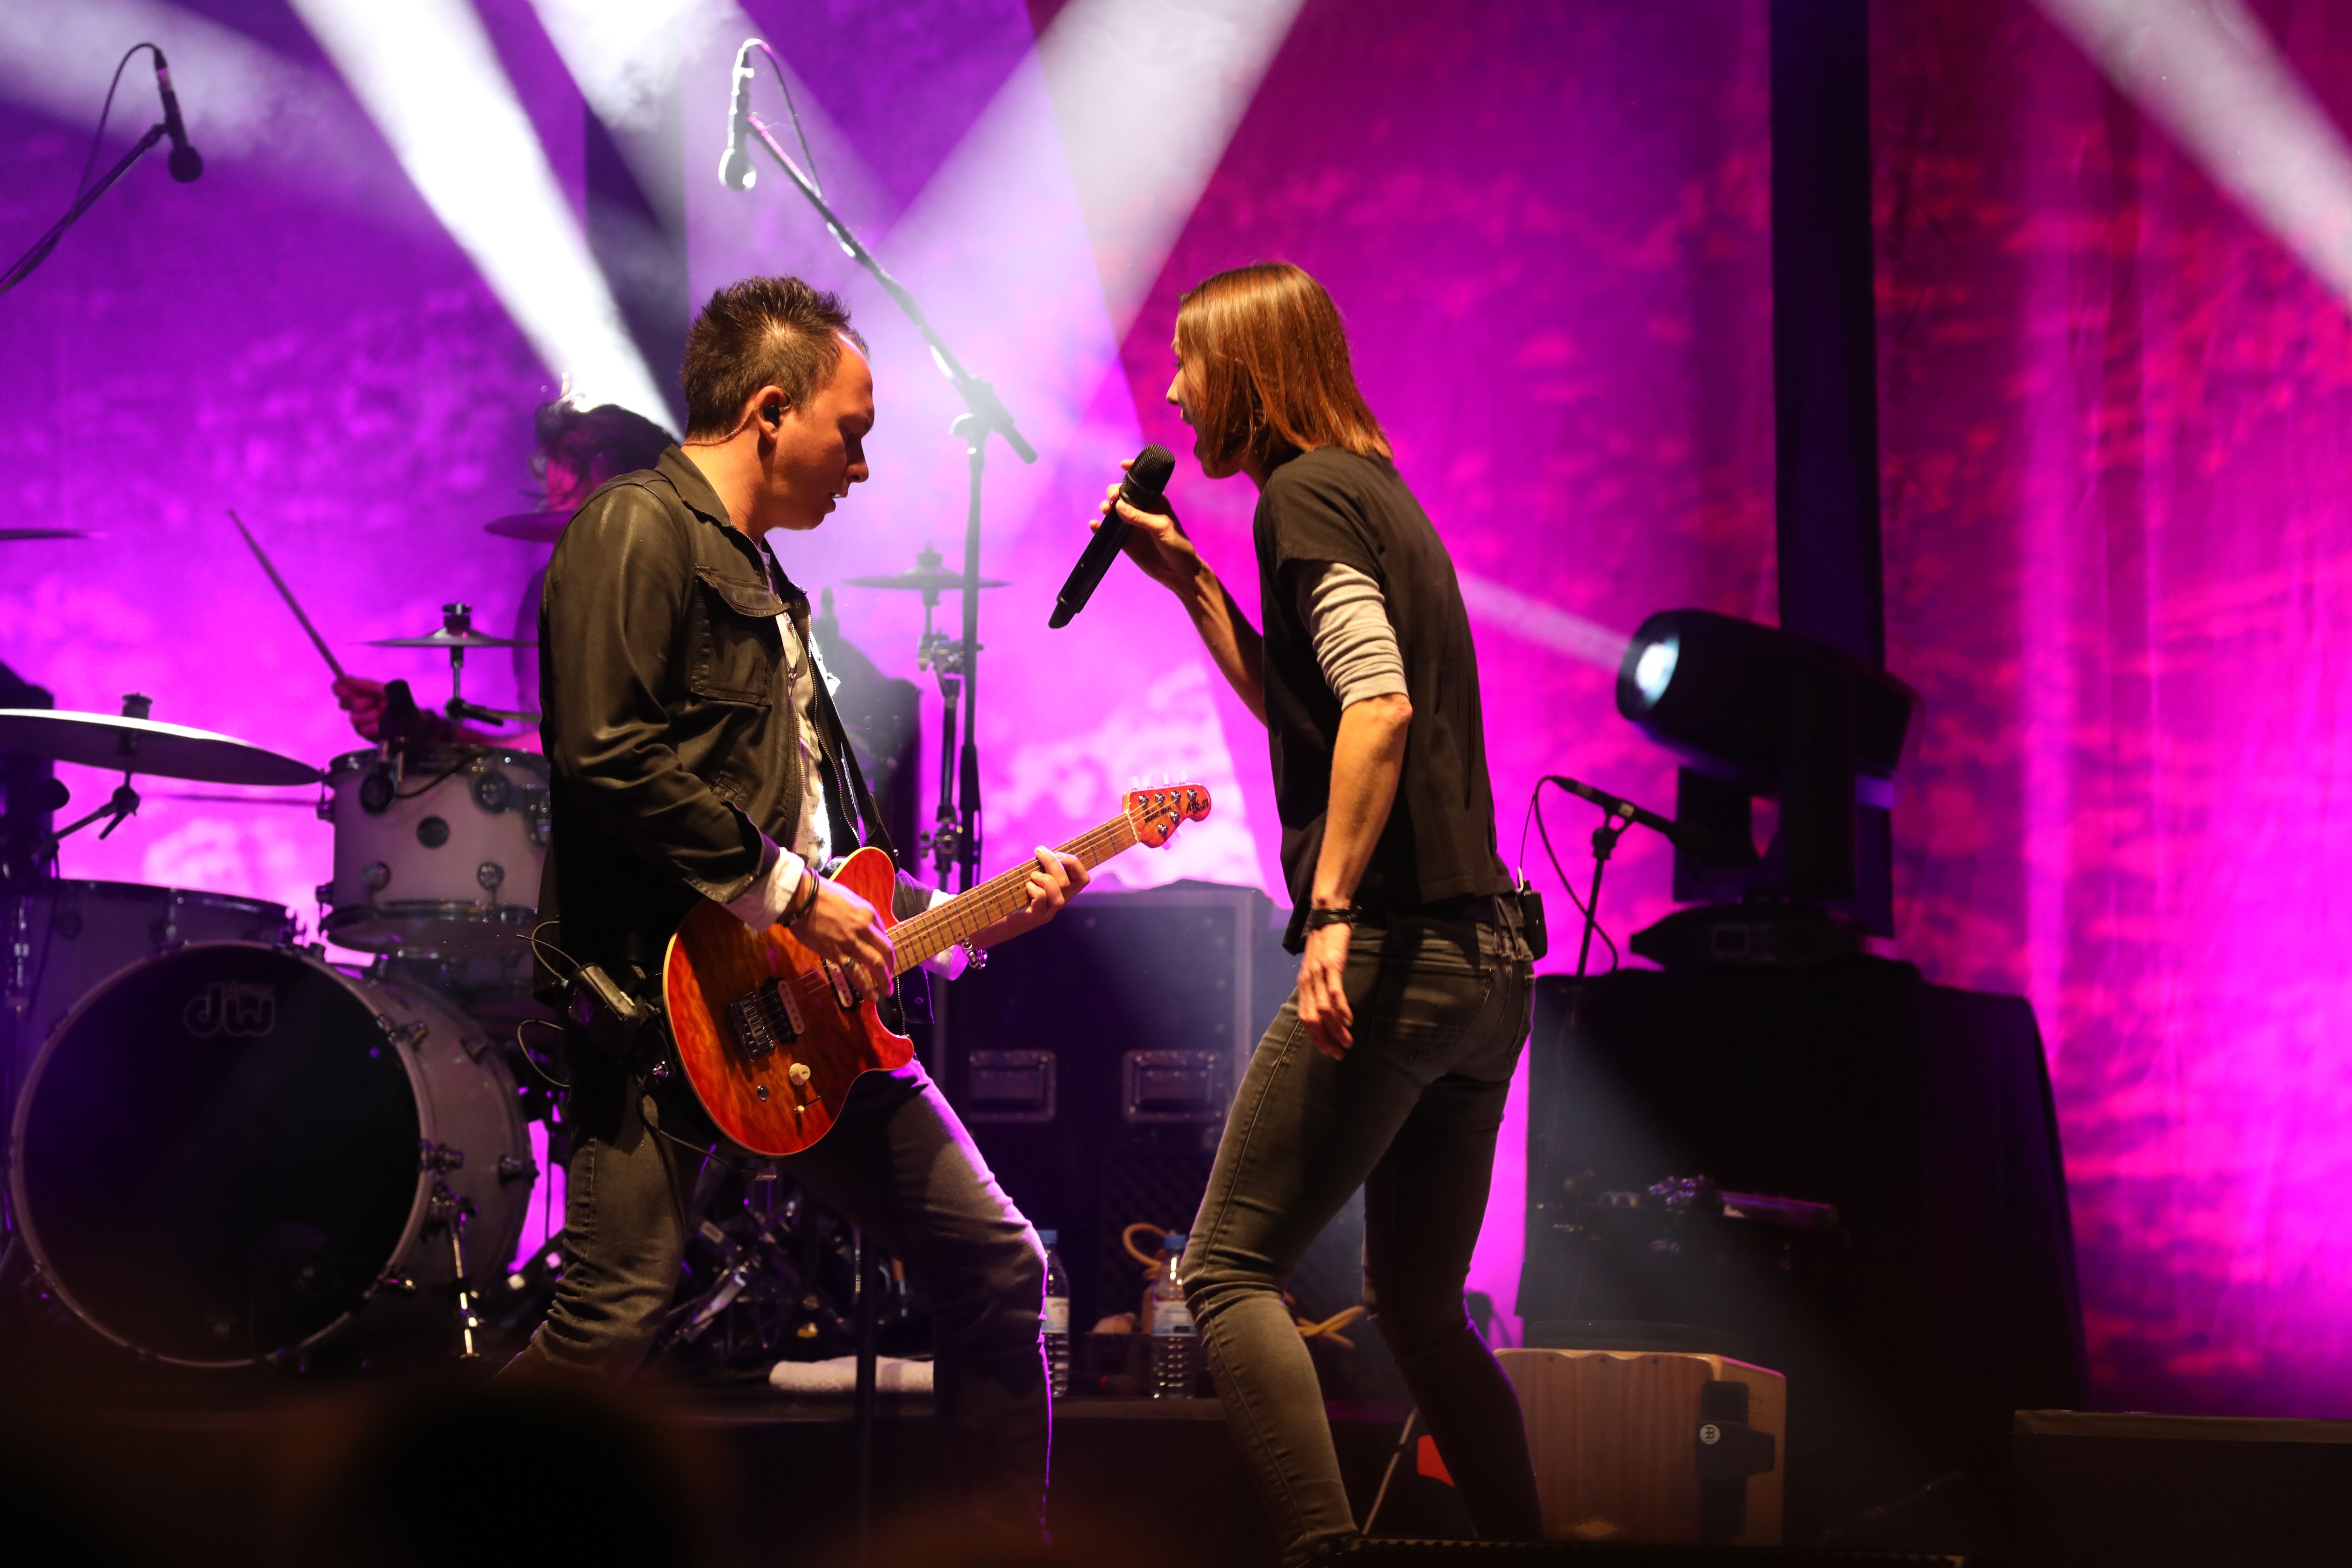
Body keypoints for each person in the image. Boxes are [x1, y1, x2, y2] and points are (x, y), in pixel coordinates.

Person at [510, 275, 1085, 1541]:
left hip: (802, 1023)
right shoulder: (632, 526)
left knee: (995, 1270)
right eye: (851, 431)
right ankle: (399, 1519)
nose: (862, 468)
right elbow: (606, 753)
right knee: (604, 1324)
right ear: (771, 410)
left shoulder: (769, 584)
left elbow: (819, 851)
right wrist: (789, 893)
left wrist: (963, 914)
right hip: (662, 1013)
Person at [1101, 261, 1544, 1563]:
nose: (1172, 394)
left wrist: (1333, 914)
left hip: (1399, 952)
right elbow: (1311, 706)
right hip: (1483, 966)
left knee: (1222, 1269)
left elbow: (1377, 704)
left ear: (1245, 371)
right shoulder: (1371, 494)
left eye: (1190, 365)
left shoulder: (1298, 499)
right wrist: (1189, 582)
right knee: (1417, 1306)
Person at [330, 400, 675, 743]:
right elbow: (541, 757)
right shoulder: (551, 590)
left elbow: (605, 753)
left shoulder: (675, 598)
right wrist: (425, 732)